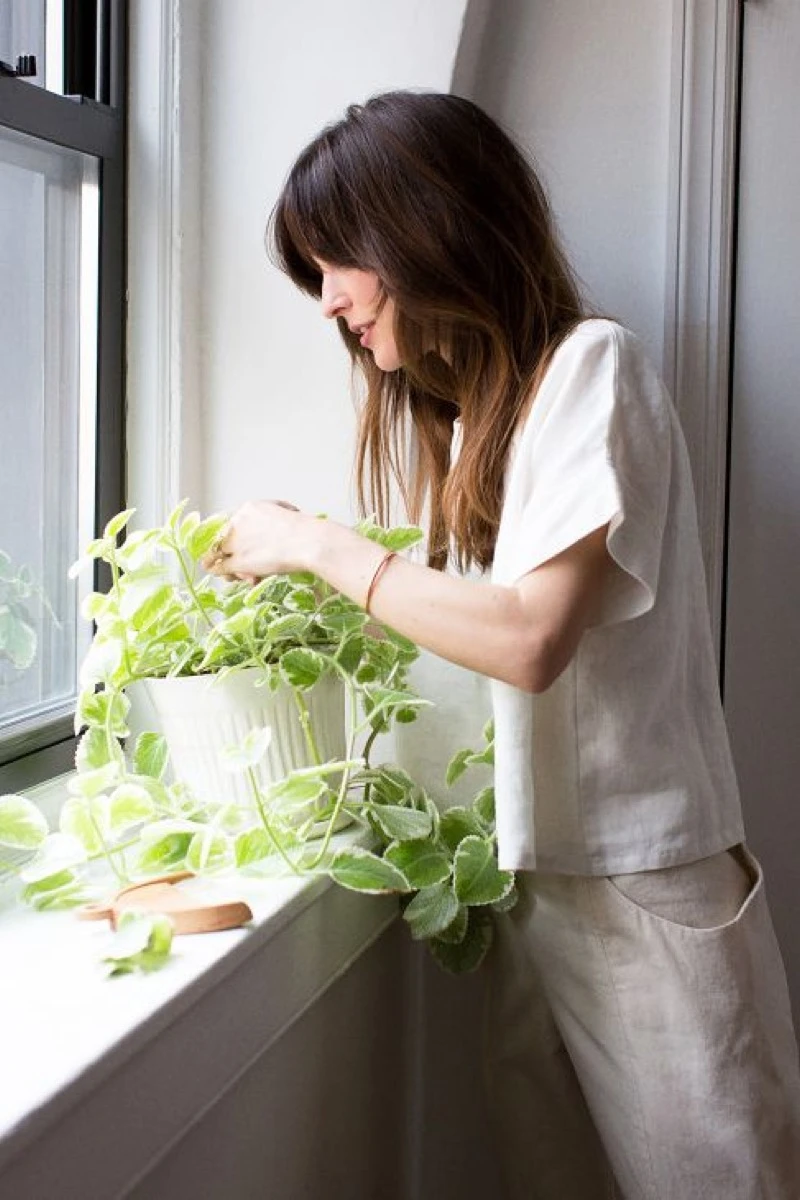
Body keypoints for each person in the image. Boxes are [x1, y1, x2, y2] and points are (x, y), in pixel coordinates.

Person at [205, 91, 800, 1198]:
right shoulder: (483, 417)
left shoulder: (592, 368)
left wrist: (318, 546)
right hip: (537, 885)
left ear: (425, 226)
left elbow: (529, 639)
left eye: (335, 260)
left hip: (641, 880)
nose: (327, 298)